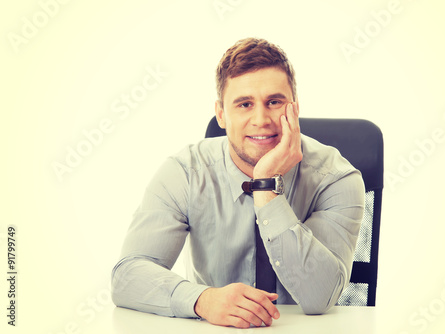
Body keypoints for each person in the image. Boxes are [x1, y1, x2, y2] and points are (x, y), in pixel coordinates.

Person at [111, 37, 365, 328]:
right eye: (244, 104)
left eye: (274, 102)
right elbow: (127, 276)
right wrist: (202, 300)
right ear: (221, 114)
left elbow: (319, 297)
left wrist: (266, 186)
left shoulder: (335, 177)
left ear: (294, 108)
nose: (261, 119)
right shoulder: (185, 172)